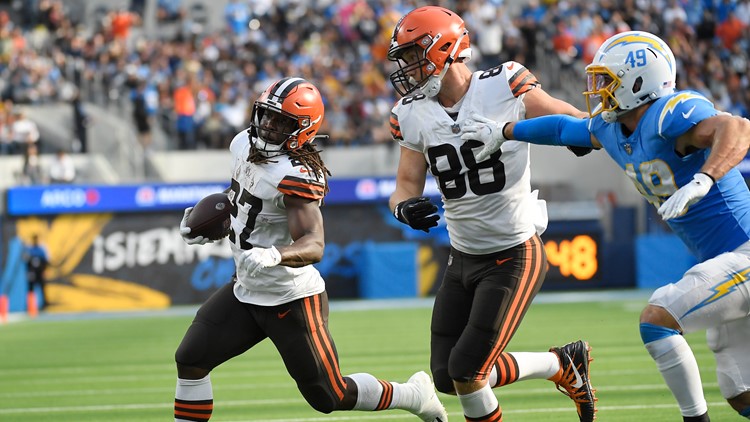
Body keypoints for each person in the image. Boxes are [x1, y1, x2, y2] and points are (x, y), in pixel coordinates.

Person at [469, 30, 750, 422]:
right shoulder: (609, 129)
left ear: (639, 81)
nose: (599, 90)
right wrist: (503, 132)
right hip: (725, 261)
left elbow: (737, 127)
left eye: (607, 80)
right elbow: (560, 129)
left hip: (745, 253)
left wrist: (705, 178)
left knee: (658, 320)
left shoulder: (670, 113)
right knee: (741, 392)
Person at [174, 77, 448, 422]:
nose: (269, 126)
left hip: (290, 297)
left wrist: (275, 254)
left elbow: (314, 244)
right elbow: (245, 205)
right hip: (246, 289)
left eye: (281, 122)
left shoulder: (295, 174)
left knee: (329, 395)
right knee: (191, 358)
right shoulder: (242, 143)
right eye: (266, 116)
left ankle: (414, 395)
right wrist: (215, 225)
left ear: (303, 129)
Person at [386, 6, 597, 422]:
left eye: (413, 54)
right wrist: (402, 208)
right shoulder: (410, 113)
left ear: (444, 48)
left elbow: (561, 114)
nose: (406, 67)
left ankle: (562, 366)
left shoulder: (503, 83)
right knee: (448, 376)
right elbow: (405, 185)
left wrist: (584, 130)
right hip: (462, 257)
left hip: (513, 252)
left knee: (468, 370)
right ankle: (561, 364)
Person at [23, 234, 49, 316]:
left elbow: (46, 261)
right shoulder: (29, 249)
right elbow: (26, 261)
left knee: (42, 288)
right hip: (32, 272)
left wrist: (44, 270)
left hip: (40, 271)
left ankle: (44, 305)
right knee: (31, 289)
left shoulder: (42, 249)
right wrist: (29, 271)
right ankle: (30, 306)